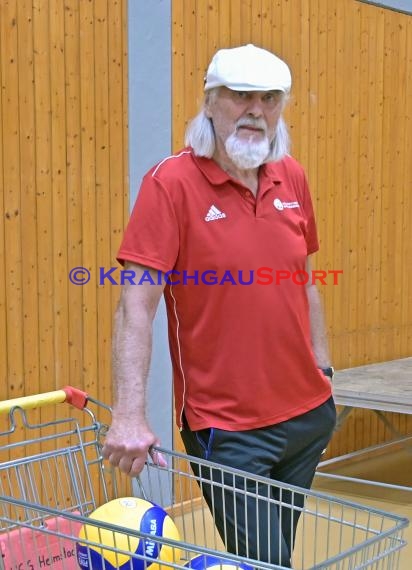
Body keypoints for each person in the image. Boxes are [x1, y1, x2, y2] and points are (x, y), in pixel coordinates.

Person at [102, 44, 336, 568]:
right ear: (210, 102)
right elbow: (135, 307)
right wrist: (129, 414)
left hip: (306, 417)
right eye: (240, 95)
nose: (256, 109)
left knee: (275, 557)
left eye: (270, 98)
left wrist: (323, 369)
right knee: (266, 563)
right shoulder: (170, 184)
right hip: (229, 431)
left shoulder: (291, 176)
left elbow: (305, 280)